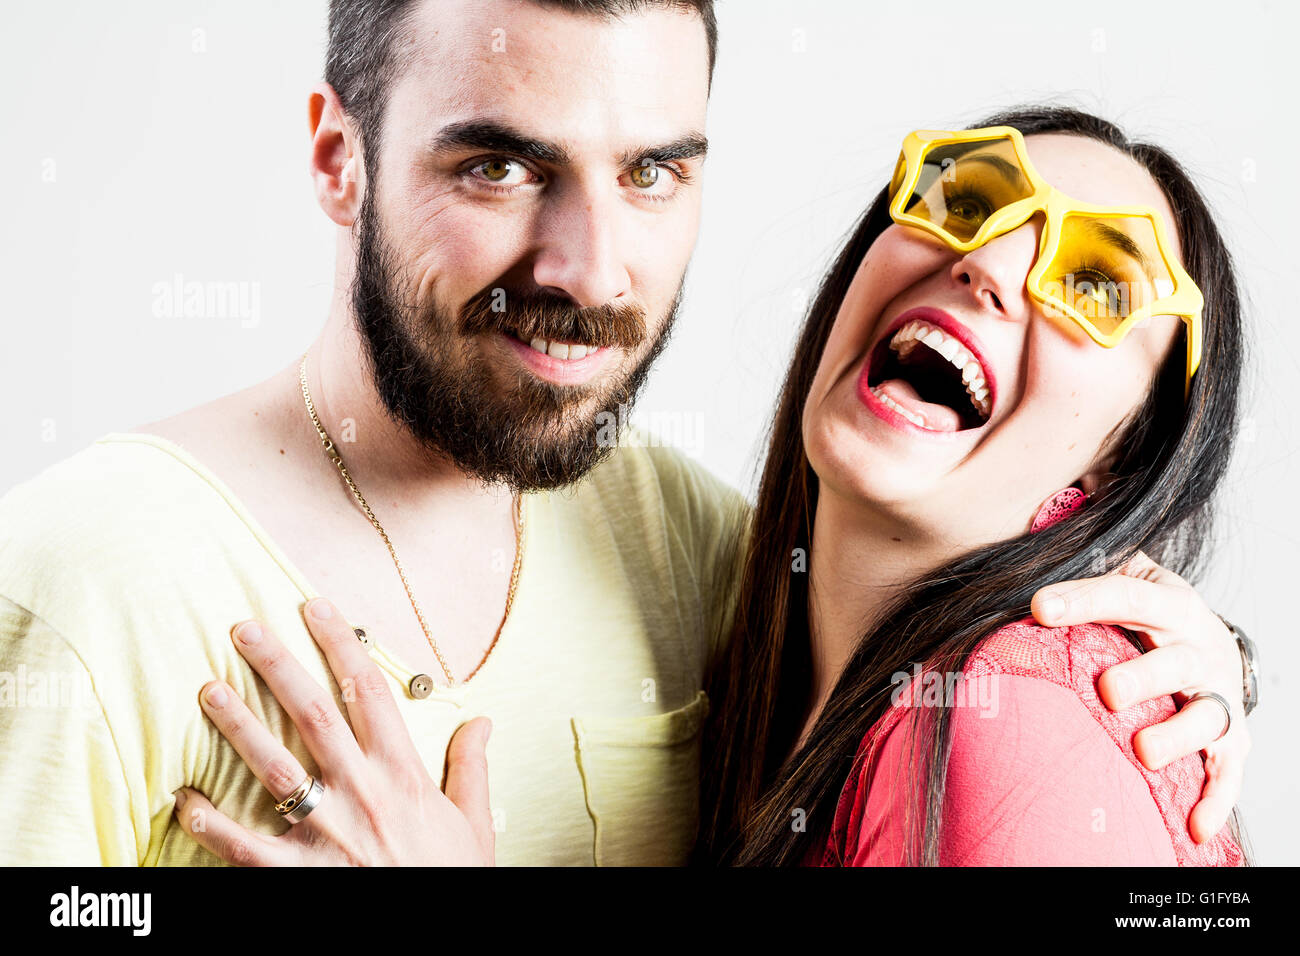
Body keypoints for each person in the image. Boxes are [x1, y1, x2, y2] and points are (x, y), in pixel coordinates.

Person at [0, 1, 1253, 867]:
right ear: (340, 156)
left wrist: (1201, 662)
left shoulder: (705, 564)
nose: (586, 266)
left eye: (650, 171)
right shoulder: (96, 577)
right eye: (497, 166)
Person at [698, 108, 1252, 866]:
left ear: (1127, 455)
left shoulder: (1010, 717)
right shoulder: (714, 613)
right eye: (965, 200)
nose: (986, 263)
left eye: (1095, 284)